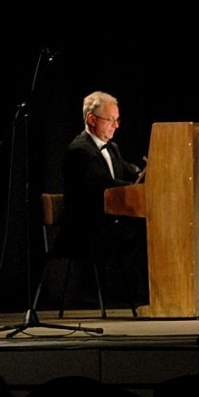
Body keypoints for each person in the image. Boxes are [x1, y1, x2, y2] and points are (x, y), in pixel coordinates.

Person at [56, 90, 149, 307]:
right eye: (111, 120)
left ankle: (143, 298)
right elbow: (102, 185)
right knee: (142, 232)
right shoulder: (79, 150)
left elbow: (130, 172)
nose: (116, 125)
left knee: (149, 225)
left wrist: (145, 177)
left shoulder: (112, 148)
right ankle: (138, 299)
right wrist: (138, 190)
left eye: (118, 119)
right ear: (92, 119)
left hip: (106, 221)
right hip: (86, 228)